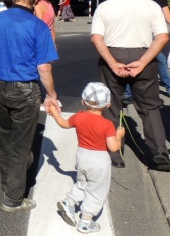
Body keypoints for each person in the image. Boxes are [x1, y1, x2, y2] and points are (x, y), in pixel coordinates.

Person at [0, 0, 60, 212]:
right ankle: (13, 198)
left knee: (4, 140)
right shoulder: (37, 26)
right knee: (21, 146)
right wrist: (52, 95)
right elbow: (44, 68)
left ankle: (8, 185)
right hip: (24, 90)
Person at [91, 0, 170, 171]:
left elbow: (96, 38)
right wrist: (143, 62)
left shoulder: (105, 7)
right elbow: (162, 37)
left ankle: (114, 153)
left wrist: (112, 62)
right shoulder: (150, 5)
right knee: (150, 106)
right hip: (144, 56)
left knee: (111, 106)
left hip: (113, 54)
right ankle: (159, 151)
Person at [48, 82, 125, 234]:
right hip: (99, 160)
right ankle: (86, 221)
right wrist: (119, 135)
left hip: (82, 156)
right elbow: (113, 147)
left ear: (83, 102)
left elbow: (63, 124)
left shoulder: (79, 116)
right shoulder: (107, 124)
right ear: (108, 104)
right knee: (97, 190)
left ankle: (69, 202)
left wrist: (55, 112)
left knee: (82, 183)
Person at [144, 0, 170, 96]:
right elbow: (169, 19)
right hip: (152, 36)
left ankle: (129, 92)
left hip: (142, 33)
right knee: (161, 61)